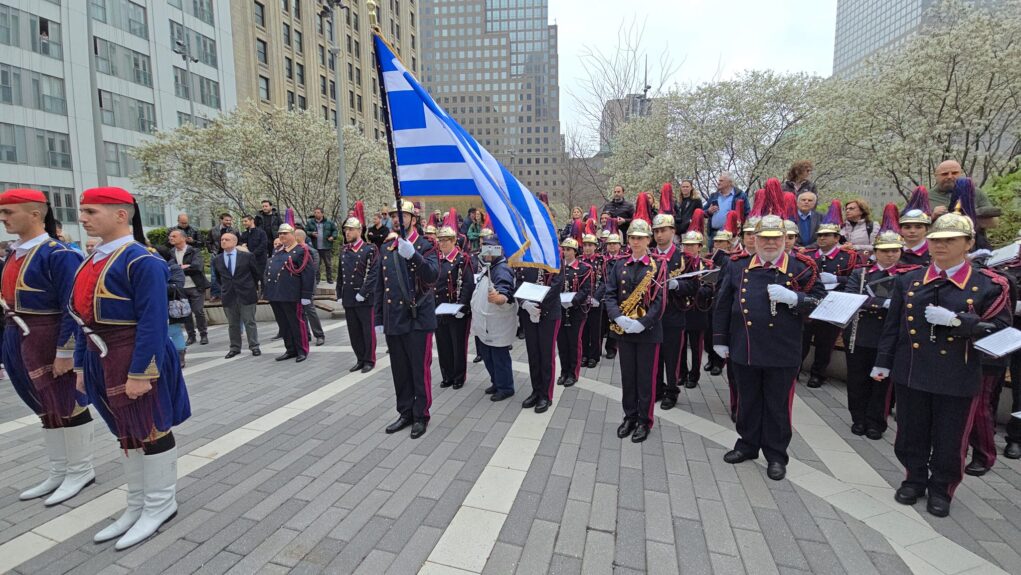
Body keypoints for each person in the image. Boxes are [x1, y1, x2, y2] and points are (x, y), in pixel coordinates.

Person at [872, 208, 1011, 518]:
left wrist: (960, 322)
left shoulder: (989, 284)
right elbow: (892, 327)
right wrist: (883, 362)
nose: (941, 246)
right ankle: (914, 479)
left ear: (968, 243)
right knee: (910, 433)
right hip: (912, 370)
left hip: (957, 375)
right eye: (936, 240)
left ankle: (942, 489)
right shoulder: (909, 280)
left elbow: (1002, 329)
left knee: (950, 439)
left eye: (951, 240)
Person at [73, 186, 190, 550]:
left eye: (91, 211)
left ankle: (160, 504)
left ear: (122, 215)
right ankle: (137, 503)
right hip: (101, 355)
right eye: (83, 211)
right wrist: (80, 364)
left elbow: (154, 321)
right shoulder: (91, 260)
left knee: (151, 428)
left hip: (134, 355)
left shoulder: (142, 260)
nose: (83, 218)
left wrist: (142, 371)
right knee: (126, 432)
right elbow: (81, 318)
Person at [714, 214, 826, 480]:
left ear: (785, 239)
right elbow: (723, 305)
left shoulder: (800, 266)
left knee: (776, 406)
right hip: (745, 347)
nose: (770, 243)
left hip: (781, 351)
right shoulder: (737, 265)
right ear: (755, 239)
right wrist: (719, 339)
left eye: (776, 238)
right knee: (748, 401)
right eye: (764, 237)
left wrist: (795, 298)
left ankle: (776, 455)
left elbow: (821, 300)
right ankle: (748, 445)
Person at [0, 189, 92, 506]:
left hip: (49, 336)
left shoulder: (59, 254)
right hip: (17, 336)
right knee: (42, 405)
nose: (3, 218)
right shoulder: (14, 253)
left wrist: (66, 351)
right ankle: (59, 470)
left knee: (67, 403)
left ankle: (80, 470)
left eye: (9, 212)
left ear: (36, 213)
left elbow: (73, 306)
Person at [840, 206, 914, 440]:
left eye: (894, 250)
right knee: (857, 380)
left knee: (882, 383)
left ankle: (876, 422)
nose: (890, 255)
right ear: (876, 251)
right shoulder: (862, 273)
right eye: (885, 250)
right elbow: (853, 297)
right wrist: (881, 303)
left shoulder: (907, 276)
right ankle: (858, 418)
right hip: (860, 333)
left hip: (888, 336)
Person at [375, 200, 439, 439]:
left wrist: (414, 256)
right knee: (400, 370)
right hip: (395, 319)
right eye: (393, 215)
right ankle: (405, 412)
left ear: (413, 219)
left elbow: (432, 276)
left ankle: (421, 414)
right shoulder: (387, 247)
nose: (396, 219)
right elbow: (381, 285)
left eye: (401, 215)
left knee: (418, 370)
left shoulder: (425, 246)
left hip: (418, 319)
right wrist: (379, 318)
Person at [606, 218, 666, 442]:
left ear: (648, 240)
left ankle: (644, 420)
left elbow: (661, 300)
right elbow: (610, 294)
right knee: (628, 377)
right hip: (623, 330)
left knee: (645, 379)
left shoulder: (658, 265)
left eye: (640, 237)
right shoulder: (620, 265)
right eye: (632, 237)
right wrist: (618, 318)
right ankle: (629, 416)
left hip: (648, 332)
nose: (636, 241)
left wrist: (642, 323)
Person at [801, 201, 859, 388]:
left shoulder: (848, 256)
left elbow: (854, 280)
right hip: (810, 301)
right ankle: (795, 368)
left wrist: (836, 278)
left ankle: (818, 373)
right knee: (802, 338)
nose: (822, 238)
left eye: (827, 235)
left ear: (837, 238)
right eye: (820, 235)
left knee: (825, 342)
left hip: (833, 302)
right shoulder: (808, 254)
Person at [651, 212, 692, 410]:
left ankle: (672, 391)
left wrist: (678, 285)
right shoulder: (649, 256)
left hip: (674, 315)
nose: (659, 235)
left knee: (672, 357)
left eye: (663, 230)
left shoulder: (683, 258)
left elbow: (694, 285)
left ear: (673, 231)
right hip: (652, 316)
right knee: (655, 356)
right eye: (656, 231)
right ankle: (657, 388)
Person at [516, 251, 564, 415]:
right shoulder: (525, 258)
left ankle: (546, 394)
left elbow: (557, 284)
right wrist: (525, 304)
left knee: (546, 355)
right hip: (529, 312)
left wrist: (540, 308)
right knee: (533, 355)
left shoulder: (553, 256)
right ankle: (536, 390)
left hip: (549, 313)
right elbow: (518, 283)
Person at [472, 234, 518, 400]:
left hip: (496, 324)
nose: (486, 252)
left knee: (499, 357)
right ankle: (496, 382)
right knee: (488, 355)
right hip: (487, 324)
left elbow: (505, 290)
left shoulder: (502, 268)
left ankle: (505, 387)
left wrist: (500, 298)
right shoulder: (490, 266)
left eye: (490, 248)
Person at [264, 224, 315, 362]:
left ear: (293, 235)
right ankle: (290, 349)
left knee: (296, 323)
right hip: (276, 294)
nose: (282, 236)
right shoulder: (278, 251)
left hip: (292, 294)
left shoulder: (301, 251)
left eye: (285, 233)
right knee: (284, 324)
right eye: (280, 234)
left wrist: (306, 295)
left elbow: (308, 274)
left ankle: (302, 350)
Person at [435, 217, 475, 390]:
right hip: (440, 309)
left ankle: (459, 376)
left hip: (457, 309)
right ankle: (447, 375)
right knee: (443, 344)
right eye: (440, 240)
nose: (442, 244)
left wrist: (463, 306)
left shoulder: (462, 260)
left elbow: (468, 284)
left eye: (445, 240)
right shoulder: (436, 260)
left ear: (453, 241)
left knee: (457, 345)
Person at [337, 215, 379, 373]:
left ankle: (369, 359)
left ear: (359, 231)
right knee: (354, 331)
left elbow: (373, 274)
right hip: (348, 297)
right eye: (346, 229)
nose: (347, 232)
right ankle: (360, 358)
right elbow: (341, 275)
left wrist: (364, 292)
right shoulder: (344, 250)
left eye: (350, 229)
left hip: (364, 298)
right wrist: (339, 292)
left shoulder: (370, 249)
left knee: (367, 331)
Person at [679, 218, 715, 390]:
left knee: (696, 347)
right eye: (686, 245)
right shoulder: (679, 264)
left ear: (700, 247)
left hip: (698, 310)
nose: (689, 248)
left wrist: (693, 289)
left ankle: (694, 375)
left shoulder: (707, 265)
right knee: (680, 346)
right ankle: (682, 373)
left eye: (693, 245)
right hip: (681, 309)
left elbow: (710, 289)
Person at [212, 231, 261, 359]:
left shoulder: (246, 256)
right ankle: (234, 347)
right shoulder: (217, 259)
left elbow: (256, 274)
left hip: (246, 293)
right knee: (232, 324)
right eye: (222, 239)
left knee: (249, 321)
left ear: (234, 242)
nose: (223, 241)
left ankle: (254, 346)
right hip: (229, 295)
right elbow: (218, 278)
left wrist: (253, 288)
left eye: (227, 239)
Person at [556, 235, 593, 389]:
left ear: (575, 251)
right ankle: (564, 371)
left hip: (576, 310)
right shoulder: (558, 267)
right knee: (562, 343)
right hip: (559, 309)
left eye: (569, 249)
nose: (566, 252)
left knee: (574, 342)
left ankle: (573, 373)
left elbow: (585, 290)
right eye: (564, 249)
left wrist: (572, 301)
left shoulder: (584, 268)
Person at [167, 229, 209, 346]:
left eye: (174, 236)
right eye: (170, 236)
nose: (171, 238)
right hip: (180, 288)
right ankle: (191, 336)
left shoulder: (194, 251)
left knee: (198, 310)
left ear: (183, 238)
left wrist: (179, 269)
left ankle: (203, 334)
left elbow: (197, 267)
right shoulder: (171, 252)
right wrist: (183, 267)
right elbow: (170, 268)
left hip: (195, 285)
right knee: (185, 312)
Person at [294, 230, 326, 346]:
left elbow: (313, 269)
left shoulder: (312, 252)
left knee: (310, 310)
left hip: (307, 285)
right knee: (300, 312)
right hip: (296, 285)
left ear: (298, 237)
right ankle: (305, 335)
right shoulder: (294, 251)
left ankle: (319, 335)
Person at [580, 231, 605, 369]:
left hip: (595, 301)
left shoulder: (601, 261)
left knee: (595, 329)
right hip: (582, 301)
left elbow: (605, 281)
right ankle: (584, 354)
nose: (588, 248)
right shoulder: (580, 260)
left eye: (590, 245)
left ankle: (594, 356)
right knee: (583, 329)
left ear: (595, 246)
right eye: (585, 245)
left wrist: (596, 297)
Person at [705, 172, 750, 240]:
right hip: (714, 234)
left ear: (729, 182)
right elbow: (703, 212)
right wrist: (709, 211)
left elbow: (747, 213)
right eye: (719, 180)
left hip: (732, 234)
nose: (718, 183)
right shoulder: (714, 196)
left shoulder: (740, 195)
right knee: (713, 251)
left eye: (721, 181)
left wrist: (743, 230)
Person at [601, 232, 624, 360]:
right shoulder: (602, 259)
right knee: (601, 324)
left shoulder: (623, 260)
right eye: (609, 244)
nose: (612, 246)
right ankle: (597, 348)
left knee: (614, 323)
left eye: (615, 243)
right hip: (603, 295)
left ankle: (611, 348)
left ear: (620, 245)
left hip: (617, 295)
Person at [207, 213, 238, 301]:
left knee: (230, 274)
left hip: (229, 254)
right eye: (226, 220)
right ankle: (215, 294)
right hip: (216, 255)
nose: (229, 222)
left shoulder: (234, 230)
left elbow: (238, 241)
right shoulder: (213, 230)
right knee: (214, 275)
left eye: (230, 220)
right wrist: (212, 250)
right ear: (221, 220)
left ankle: (231, 293)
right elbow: (208, 241)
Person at [899, 187, 933, 266]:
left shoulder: (935, 252)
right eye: (907, 227)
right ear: (900, 229)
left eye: (918, 227)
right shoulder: (892, 251)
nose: (912, 231)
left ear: (927, 229)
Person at [308, 208, 339, 284]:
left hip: (326, 246)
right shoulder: (310, 222)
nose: (316, 214)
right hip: (315, 247)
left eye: (318, 212)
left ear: (322, 214)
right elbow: (306, 231)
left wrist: (333, 236)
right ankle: (317, 279)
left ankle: (329, 279)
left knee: (328, 264)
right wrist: (311, 233)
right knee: (317, 265)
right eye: (315, 212)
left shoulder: (329, 222)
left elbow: (335, 230)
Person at [240, 214, 269, 295]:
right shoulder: (244, 234)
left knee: (262, 277)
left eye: (245, 221)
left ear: (252, 221)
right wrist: (242, 244)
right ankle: (254, 293)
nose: (244, 223)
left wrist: (253, 254)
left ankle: (264, 294)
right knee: (251, 277)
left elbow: (263, 244)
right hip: (248, 260)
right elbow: (240, 242)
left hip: (260, 259)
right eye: (243, 221)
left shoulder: (261, 232)